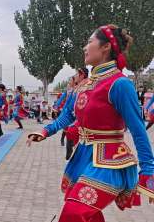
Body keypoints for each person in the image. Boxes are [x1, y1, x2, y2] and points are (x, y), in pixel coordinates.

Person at [27, 24, 154, 222]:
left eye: (89, 42)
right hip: (83, 156)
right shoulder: (84, 85)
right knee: (90, 214)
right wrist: (45, 131)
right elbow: (68, 115)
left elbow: (138, 129)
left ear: (105, 47)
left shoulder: (119, 84)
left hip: (109, 162)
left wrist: (148, 170)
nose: (85, 47)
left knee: (73, 213)